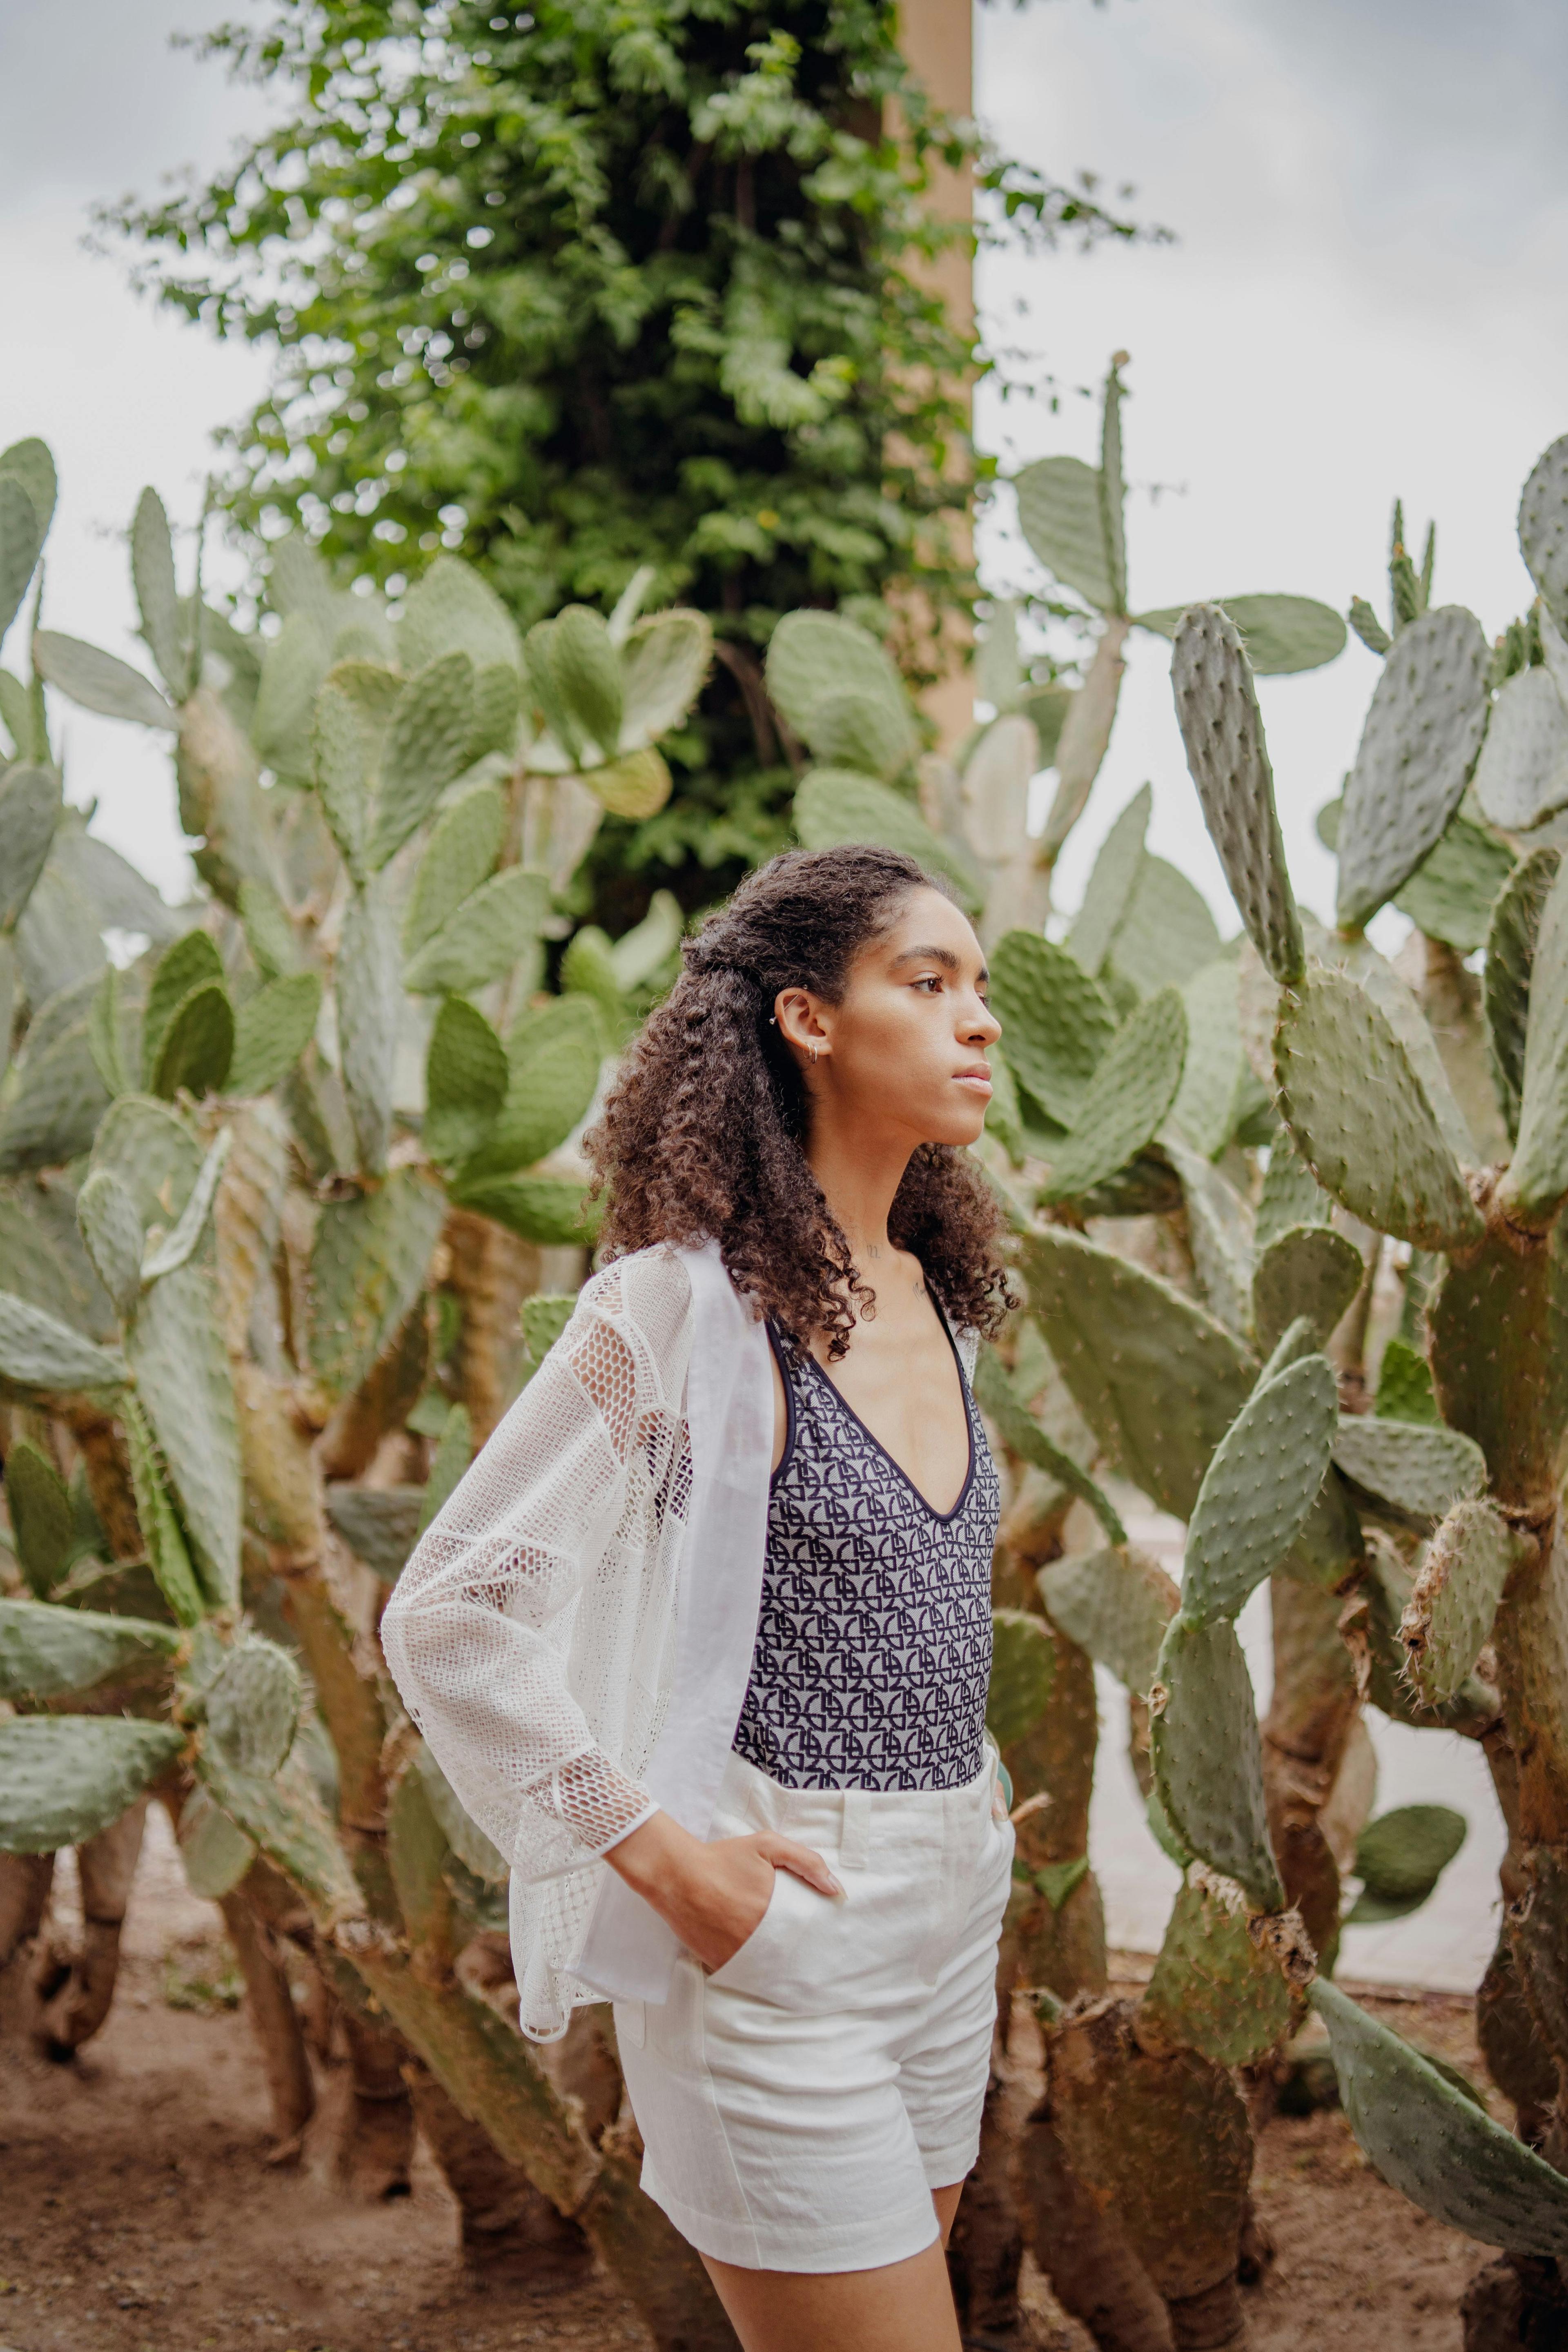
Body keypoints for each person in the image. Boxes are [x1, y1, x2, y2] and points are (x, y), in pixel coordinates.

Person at [382, 843, 1017, 2352]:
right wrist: (668, 1865)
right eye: (928, 984)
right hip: (775, 1928)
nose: (978, 1020)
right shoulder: (675, 1310)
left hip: (951, 1910)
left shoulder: (942, 1293)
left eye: (980, 987)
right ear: (808, 1019)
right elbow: (451, 1611)